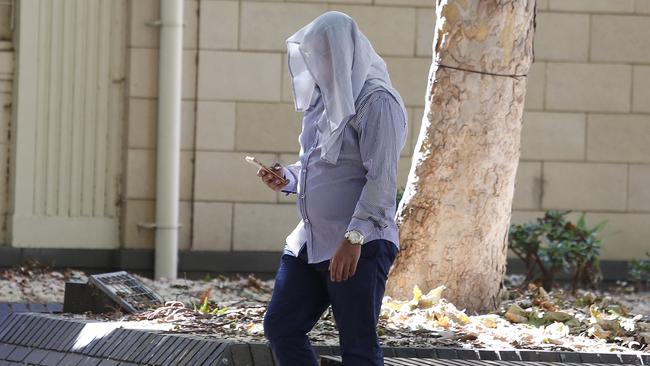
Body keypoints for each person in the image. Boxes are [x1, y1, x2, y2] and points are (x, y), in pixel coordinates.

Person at [256, 11, 408, 366]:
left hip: (360, 244)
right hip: (309, 241)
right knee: (282, 327)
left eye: (324, 55)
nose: (318, 64)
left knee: (357, 346)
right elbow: (315, 163)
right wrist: (287, 178)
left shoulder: (377, 102)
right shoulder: (323, 103)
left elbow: (382, 179)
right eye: (312, 56)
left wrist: (353, 238)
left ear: (346, 52)